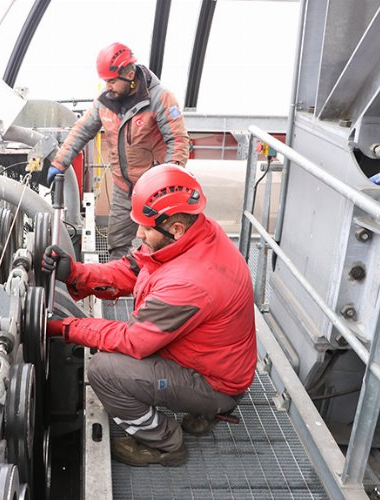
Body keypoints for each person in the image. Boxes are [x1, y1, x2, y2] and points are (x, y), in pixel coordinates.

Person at [42, 164, 256, 467]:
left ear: (176, 228)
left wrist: (65, 328)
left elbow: (134, 341)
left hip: (215, 383)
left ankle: (165, 443)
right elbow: (135, 267)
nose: (139, 233)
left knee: (105, 371)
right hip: (218, 363)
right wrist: (77, 274)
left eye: (145, 227)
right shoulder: (195, 235)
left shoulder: (190, 282)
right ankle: (203, 410)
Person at [46, 42, 190, 260]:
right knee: (117, 243)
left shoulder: (160, 98)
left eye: (112, 81)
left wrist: (167, 184)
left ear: (130, 74)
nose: (108, 87)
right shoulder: (105, 102)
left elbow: (178, 141)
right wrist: (59, 163)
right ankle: (117, 287)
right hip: (123, 188)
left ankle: (156, 288)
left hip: (154, 191)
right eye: (105, 81)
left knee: (160, 244)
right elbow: (82, 129)